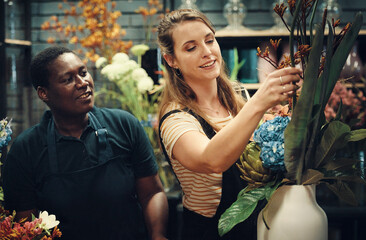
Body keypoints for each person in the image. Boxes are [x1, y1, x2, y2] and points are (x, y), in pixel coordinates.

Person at [157, 9, 302, 240]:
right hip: (211, 233)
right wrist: (258, 103)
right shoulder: (175, 118)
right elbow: (211, 160)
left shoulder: (237, 95)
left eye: (209, 40)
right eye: (191, 47)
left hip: (257, 225)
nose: (207, 52)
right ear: (171, 60)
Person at [2, 46, 168, 240]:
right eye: (68, 79)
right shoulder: (26, 149)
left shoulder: (124, 124)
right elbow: (25, 227)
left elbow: (151, 193)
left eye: (83, 73)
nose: (83, 83)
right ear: (43, 93)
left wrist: (158, 235)